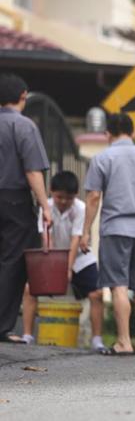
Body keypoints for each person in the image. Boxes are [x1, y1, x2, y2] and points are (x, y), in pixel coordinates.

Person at [81, 113, 135, 355]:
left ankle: (124, 341)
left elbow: (94, 197)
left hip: (115, 228)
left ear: (107, 135)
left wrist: (86, 231)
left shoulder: (103, 158)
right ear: (133, 133)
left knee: (119, 286)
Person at [20, 171, 107, 352]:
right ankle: (27, 335)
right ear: (51, 192)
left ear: (75, 196)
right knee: (29, 289)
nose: (63, 201)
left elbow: (76, 240)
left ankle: (97, 339)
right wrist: (55, 266)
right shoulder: (47, 207)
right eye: (59, 197)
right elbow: (46, 238)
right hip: (51, 257)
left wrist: (67, 269)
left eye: (68, 198)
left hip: (80, 259)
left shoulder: (81, 209)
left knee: (97, 294)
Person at [0, 73, 51, 344]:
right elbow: (32, 171)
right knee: (13, 263)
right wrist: (45, 205)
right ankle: (2, 325)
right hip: (14, 201)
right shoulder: (23, 126)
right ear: (23, 96)